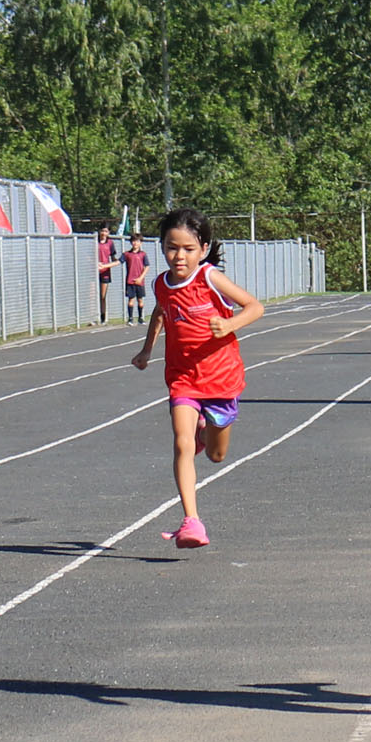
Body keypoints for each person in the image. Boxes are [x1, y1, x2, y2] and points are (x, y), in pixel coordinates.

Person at [131, 208, 263, 548]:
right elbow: (161, 314)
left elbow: (254, 307)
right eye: (172, 247)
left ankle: (208, 431)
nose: (179, 256)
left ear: (203, 249)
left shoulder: (209, 278)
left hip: (220, 378)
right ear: (161, 247)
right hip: (182, 377)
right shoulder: (161, 283)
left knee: (217, 456)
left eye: (188, 249)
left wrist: (230, 325)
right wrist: (147, 351)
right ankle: (192, 521)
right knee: (181, 443)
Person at [122, 232, 150, 325]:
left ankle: (140, 318)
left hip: (139, 282)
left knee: (140, 300)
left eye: (137, 241)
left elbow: (147, 266)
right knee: (131, 300)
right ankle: (130, 318)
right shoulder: (127, 254)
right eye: (133, 241)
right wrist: (105, 265)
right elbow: (118, 261)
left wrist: (141, 278)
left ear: (141, 243)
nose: (135, 243)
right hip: (130, 281)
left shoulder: (143, 254)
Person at [97, 225, 120, 323]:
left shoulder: (110, 243)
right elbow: (87, 255)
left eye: (106, 231)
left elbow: (114, 258)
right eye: (102, 231)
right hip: (92, 272)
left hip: (105, 272)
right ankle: (94, 316)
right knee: (93, 295)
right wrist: (95, 263)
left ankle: (103, 316)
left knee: (102, 295)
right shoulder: (94, 241)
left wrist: (107, 265)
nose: (103, 233)